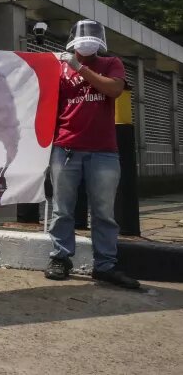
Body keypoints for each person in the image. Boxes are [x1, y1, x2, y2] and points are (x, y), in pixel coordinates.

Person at [44, 19, 139, 289]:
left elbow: (114, 89)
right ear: (73, 41)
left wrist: (80, 69)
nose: (87, 43)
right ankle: (60, 258)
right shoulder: (59, 68)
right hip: (66, 147)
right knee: (63, 210)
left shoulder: (111, 64)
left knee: (104, 213)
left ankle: (105, 265)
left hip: (103, 152)